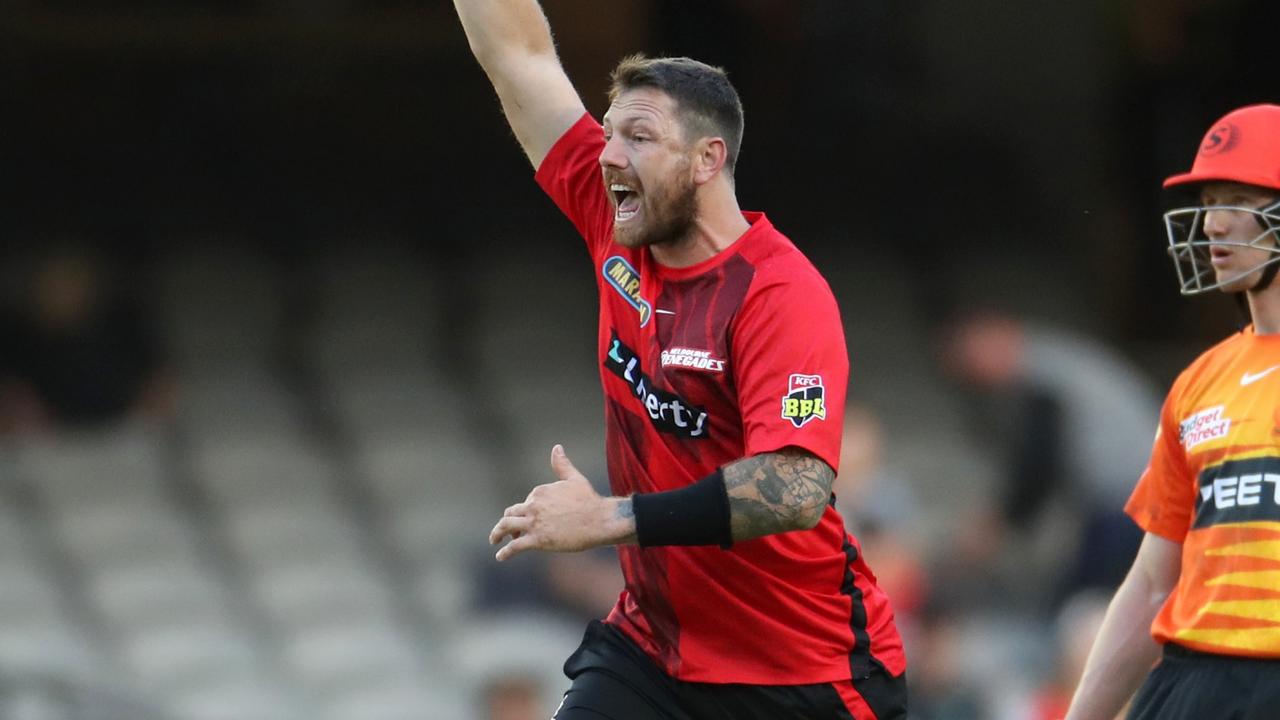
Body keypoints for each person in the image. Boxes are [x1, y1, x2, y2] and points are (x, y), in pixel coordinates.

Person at [451, 2, 906, 718]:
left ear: (707, 160)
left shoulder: (780, 295)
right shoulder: (614, 222)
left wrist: (612, 518)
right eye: (607, 136)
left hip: (800, 670)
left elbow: (794, 487)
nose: (607, 156)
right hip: (653, 652)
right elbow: (521, 59)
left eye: (638, 137)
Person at [1065, 103, 1280, 719]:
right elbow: (1154, 582)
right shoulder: (1198, 383)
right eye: (1210, 200)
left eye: (1238, 198)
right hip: (1194, 683)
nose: (1213, 224)